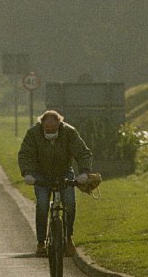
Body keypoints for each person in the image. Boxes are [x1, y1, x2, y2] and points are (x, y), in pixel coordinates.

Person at [17, 109, 93, 257]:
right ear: (42, 124)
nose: (50, 130)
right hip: (41, 175)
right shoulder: (33, 134)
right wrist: (27, 173)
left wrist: (84, 172)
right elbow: (25, 154)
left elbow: (83, 152)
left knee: (70, 203)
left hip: (64, 173)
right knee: (43, 205)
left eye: (54, 127)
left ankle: (68, 237)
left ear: (60, 124)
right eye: (47, 128)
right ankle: (41, 242)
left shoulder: (69, 132)